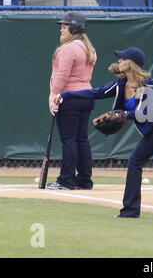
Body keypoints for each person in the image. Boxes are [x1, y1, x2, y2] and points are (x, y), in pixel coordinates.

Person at [52, 47, 153, 219]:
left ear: (131, 63)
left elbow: (148, 113)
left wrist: (124, 114)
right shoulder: (120, 84)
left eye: (123, 59)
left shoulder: (147, 85)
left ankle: (130, 210)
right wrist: (65, 95)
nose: (119, 61)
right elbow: (96, 92)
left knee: (134, 162)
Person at [47, 12, 97, 190]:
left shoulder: (68, 49)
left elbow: (62, 76)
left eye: (65, 26)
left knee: (69, 140)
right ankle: (84, 180)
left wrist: (53, 96)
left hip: (69, 98)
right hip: (86, 96)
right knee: (81, 139)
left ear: (74, 29)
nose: (61, 28)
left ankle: (66, 180)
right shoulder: (88, 48)